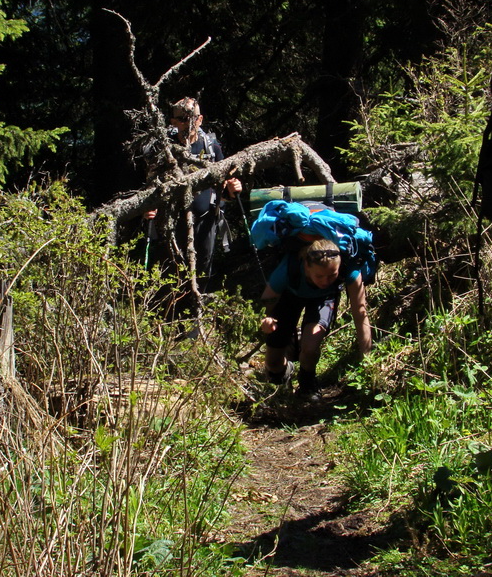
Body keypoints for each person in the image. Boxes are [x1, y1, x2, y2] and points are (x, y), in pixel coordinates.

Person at [260, 238, 372, 401]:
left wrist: (367, 357)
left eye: (332, 275)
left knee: (310, 348)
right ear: (306, 266)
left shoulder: (350, 270)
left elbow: (360, 314)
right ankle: (284, 373)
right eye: (319, 276)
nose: (326, 281)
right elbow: (267, 299)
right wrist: (267, 320)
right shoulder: (288, 269)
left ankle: (307, 383)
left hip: (324, 299)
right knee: (273, 364)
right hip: (290, 297)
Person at [144, 97, 242, 279]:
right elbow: (150, 186)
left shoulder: (211, 147)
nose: (188, 123)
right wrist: (148, 208)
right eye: (182, 119)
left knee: (203, 271)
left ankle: (200, 305)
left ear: (200, 119)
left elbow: (224, 189)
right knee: (171, 276)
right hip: (172, 223)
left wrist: (232, 189)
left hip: (206, 222)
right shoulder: (164, 149)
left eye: (193, 118)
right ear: (173, 122)